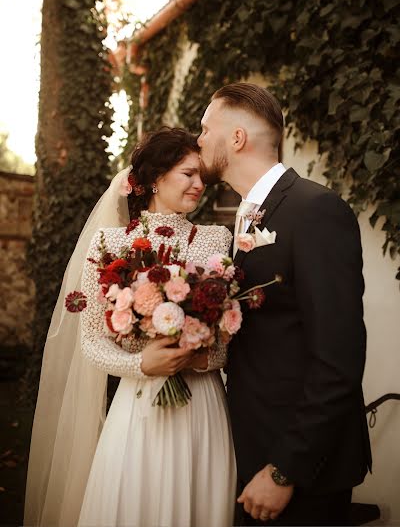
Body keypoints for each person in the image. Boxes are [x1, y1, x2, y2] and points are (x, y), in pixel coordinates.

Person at [24, 127, 236, 527]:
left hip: (203, 405)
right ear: (155, 179)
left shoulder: (216, 239)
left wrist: (201, 358)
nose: (198, 184)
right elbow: (91, 340)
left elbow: (226, 339)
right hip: (139, 404)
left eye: (201, 177)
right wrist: (143, 365)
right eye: (188, 174)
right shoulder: (109, 244)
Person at [198, 82, 372, 526]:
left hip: (300, 470)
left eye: (205, 129)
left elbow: (338, 357)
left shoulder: (315, 211)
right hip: (254, 451)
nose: (197, 141)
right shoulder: (251, 213)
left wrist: (284, 469)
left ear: (237, 139)